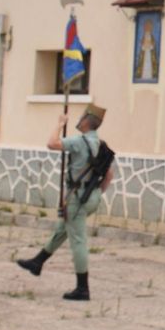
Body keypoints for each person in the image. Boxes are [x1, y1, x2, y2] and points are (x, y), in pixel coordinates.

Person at [15, 103, 110, 301]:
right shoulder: (101, 144)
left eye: (81, 117)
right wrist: (96, 192)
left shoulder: (79, 142)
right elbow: (109, 175)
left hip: (77, 198)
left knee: (78, 240)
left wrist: (60, 124)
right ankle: (37, 262)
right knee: (62, 230)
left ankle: (82, 288)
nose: (79, 120)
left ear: (86, 121)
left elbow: (52, 143)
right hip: (91, 197)